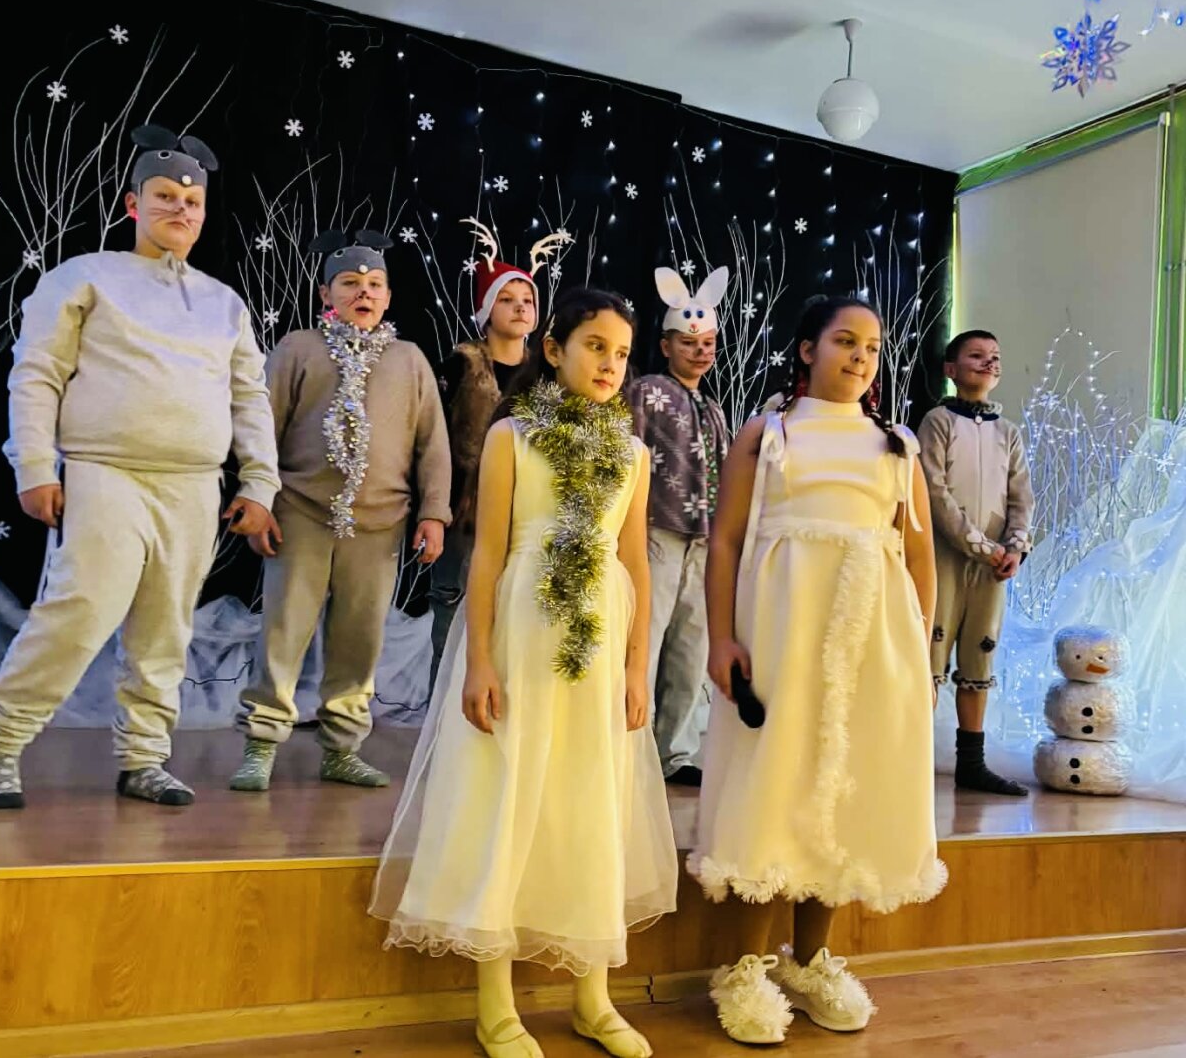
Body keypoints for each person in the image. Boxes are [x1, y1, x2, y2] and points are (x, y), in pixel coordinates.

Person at [371, 287, 677, 1058]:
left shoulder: (633, 454)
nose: (608, 364)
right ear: (553, 349)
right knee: (505, 801)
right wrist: (478, 658)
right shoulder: (514, 436)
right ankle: (495, 1004)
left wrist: (637, 666)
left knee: (591, 804)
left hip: (598, 646)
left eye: (620, 353)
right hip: (524, 636)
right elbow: (489, 554)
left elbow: (635, 563)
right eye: (594, 346)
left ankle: (592, 996)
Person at [0, 126, 279, 809]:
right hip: (105, 472)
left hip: (193, 485)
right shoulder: (84, 276)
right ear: (133, 204)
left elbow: (250, 398)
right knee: (79, 612)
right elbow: (37, 374)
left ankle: (144, 757)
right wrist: (34, 464)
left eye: (193, 201)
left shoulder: (224, 304)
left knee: (166, 628)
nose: (180, 208)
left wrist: (260, 482)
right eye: (165, 196)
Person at [690, 296, 945, 1042]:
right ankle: (744, 966)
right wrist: (722, 638)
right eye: (844, 340)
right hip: (782, 633)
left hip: (871, 639)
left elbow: (918, 555)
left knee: (841, 790)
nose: (860, 356)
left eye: (872, 346)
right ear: (807, 349)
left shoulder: (896, 446)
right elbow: (726, 540)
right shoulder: (767, 434)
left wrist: (920, 652)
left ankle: (810, 960)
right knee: (775, 779)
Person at [231, 229, 452, 791]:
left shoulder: (408, 360)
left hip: (379, 525)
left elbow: (433, 443)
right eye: (350, 283)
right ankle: (261, 742)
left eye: (375, 285)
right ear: (327, 293)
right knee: (283, 631)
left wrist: (434, 513)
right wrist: (260, 503)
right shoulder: (298, 349)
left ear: (389, 296)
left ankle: (342, 747)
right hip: (300, 515)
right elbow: (262, 430)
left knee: (361, 638)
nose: (364, 293)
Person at [427, 219, 568, 693]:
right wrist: (436, 507)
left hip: (525, 513)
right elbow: (435, 436)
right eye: (507, 299)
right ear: (487, 310)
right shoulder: (462, 364)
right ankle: (442, 711)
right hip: (465, 511)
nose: (520, 307)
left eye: (527, 299)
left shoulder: (547, 375)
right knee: (454, 608)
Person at [626, 266, 730, 787]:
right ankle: (631, 744)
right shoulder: (646, 392)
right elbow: (628, 455)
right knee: (644, 638)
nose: (700, 350)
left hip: (704, 539)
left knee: (692, 648)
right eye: (689, 342)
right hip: (656, 531)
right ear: (666, 344)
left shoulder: (713, 407)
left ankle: (677, 751)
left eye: (708, 342)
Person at [918, 329, 1034, 796]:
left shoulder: (1008, 432)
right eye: (977, 356)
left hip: (993, 567)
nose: (989, 363)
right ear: (951, 369)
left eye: (995, 356)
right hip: (944, 558)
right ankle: (911, 763)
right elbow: (934, 492)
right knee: (931, 652)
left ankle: (971, 763)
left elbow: (1022, 496)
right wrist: (982, 546)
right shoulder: (938, 422)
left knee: (980, 652)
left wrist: (1015, 546)